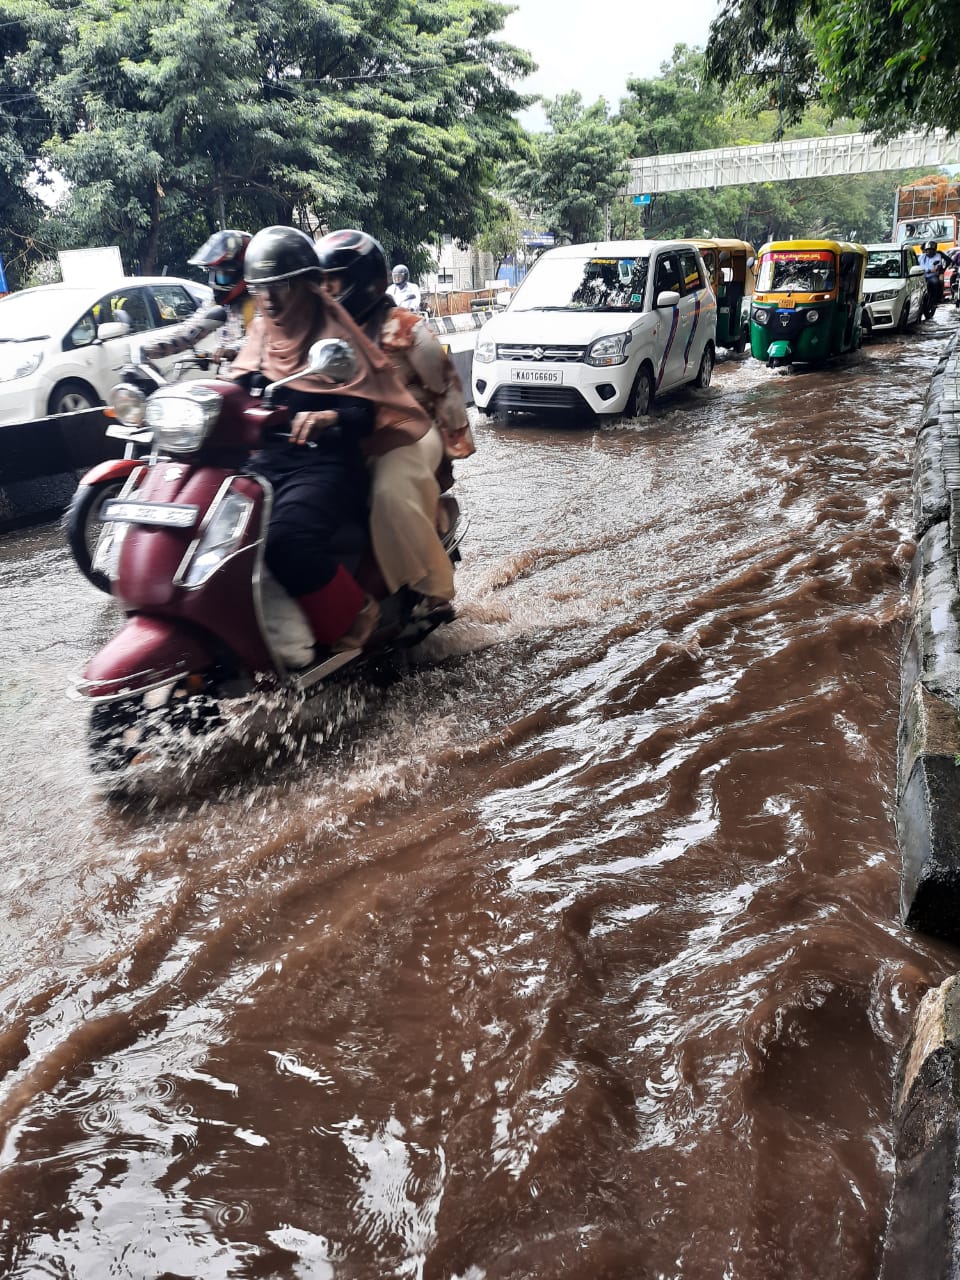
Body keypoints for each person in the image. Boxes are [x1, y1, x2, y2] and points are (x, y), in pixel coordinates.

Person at [229, 225, 433, 653]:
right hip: (264, 460)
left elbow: (364, 412)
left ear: (307, 286)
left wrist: (327, 416)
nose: (269, 299)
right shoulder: (261, 333)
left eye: (281, 286)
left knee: (285, 540)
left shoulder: (338, 338)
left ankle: (355, 614)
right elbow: (237, 390)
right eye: (261, 288)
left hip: (322, 464)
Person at [316, 228, 475, 610]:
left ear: (359, 282)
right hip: (347, 430)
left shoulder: (407, 329)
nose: (324, 291)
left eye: (332, 282)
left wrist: (450, 453)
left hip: (410, 432)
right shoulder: (321, 331)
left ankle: (434, 589)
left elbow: (446, 389)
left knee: (389, 493)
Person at [188, 228, 255, 362]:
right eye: (213, 273)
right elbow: (188, 332)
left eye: (223, 275)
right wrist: (148, 348)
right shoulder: (216, 305)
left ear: (243, 272)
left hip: (260, 373)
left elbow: (264, 336)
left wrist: (233, 349)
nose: (215, 283)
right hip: (228, 372)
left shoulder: (263, 302)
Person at [919, 239, 950, 315]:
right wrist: (929, 270)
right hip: (922, 276)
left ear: (934, 250)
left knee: (936, 282)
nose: (929, 252)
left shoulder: (938, 255)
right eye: (927, 250)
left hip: (932, 276)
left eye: (931, 250)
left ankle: (937, 298)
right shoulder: (922, 257)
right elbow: (921, 267)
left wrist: (942, 269)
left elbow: (937, 267)